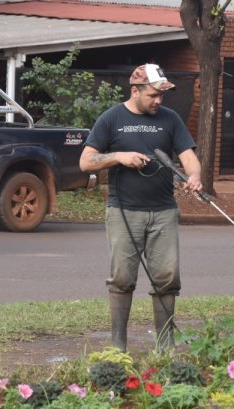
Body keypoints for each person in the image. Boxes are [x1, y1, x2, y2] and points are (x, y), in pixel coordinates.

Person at [79, 63, 203, 351]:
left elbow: (188, 156)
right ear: (135, 91)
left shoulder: (170, 119)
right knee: (122, 278)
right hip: (124, 211)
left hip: (164, 211)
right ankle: (118, 348)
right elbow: (85, 162)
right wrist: (118, 157)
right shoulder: (112, 118)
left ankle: (165, 348)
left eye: (162, 95)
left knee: (167, 278)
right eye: (153, 95)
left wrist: (194, 176)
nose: (159, 100)